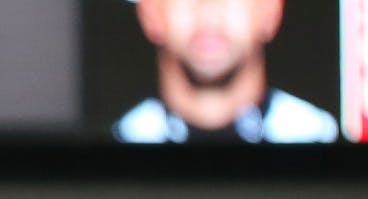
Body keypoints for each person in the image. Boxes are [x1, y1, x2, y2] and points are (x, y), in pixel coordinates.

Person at [114, 0, 338, 144]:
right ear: (150, 12)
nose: (209, 10)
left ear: (271, 10)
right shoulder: (119, 145)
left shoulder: (320, 138)